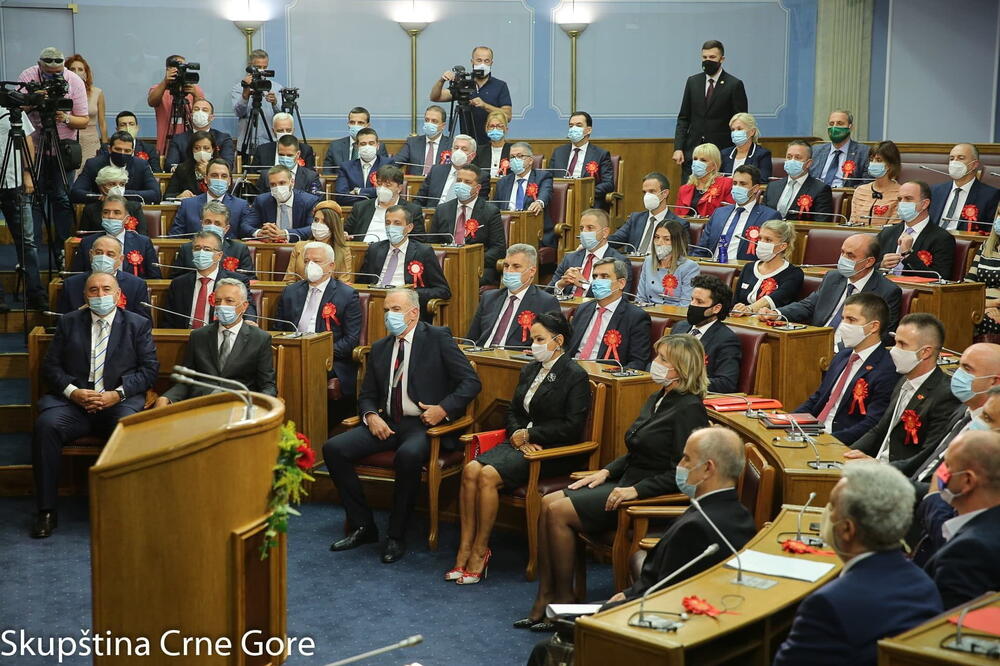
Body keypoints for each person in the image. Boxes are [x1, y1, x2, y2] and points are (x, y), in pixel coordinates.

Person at [518, 337, 711, 628]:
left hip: (641, 492)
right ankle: (548, 595)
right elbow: (636, 448)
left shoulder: (689, 408)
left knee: (558, 512)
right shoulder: (658, 396)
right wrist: (606, 472)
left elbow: (682, 472)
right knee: (548, 502)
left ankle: (563, 601)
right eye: (656, 356)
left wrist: (635, 490)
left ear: (681, 369)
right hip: (624, 480)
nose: (654, 364)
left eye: (662, 360)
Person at [324, 288, 481, 563]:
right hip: (386, 422)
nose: (388, 316)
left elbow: (471, 383)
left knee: (408, 457)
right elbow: (368, 395)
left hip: (422, 424)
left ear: (414, 313)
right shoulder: (382, 347)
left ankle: (396, 535)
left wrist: (443, 409)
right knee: (333, 449)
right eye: (386, 310)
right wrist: (371, 416)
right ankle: (364, 525)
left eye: (395, 310)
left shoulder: (437, 338)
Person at [453, 312, 590, 584]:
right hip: (520, 444)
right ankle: (464, 548)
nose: (532, 344)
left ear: (558, 341)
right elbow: (513, 409)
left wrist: (531, 434)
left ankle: (481, 551)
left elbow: (572, 426)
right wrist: (518, 432)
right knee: (470, 470)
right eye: (532, 338)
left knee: (488, 475)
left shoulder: (575, 375)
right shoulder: (529, 369)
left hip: (553, 452)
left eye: (539, 339)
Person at [773, 463, 942, 666]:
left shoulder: (827, 605)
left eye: (832, 506)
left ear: (846, 529)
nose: (826, 512)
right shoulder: (925, 585)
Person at [31, 271, 158, 538]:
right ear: (85, 296)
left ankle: (123, 510)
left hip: (116, 404)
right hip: (74, 406)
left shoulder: (137, 324)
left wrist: (118, 394)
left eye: (106, 289)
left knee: (129, 428)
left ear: (118, 294)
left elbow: (148, 371)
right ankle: (46, 511)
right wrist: (73, 392)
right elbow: (50, 367)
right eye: (93, 291)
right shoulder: (69, 322)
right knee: (46, 426)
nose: (100, 295)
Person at [845, 313, 960, 463]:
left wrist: (879, 467)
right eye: (895, 342)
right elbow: (880, 430)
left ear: (925, 352)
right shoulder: (903, 380)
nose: (893, 350)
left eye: (902, 344)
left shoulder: (945, 395)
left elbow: (927, 455)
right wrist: (846, 454)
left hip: (900, 476)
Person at [155, 278, 276, 408]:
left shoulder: (259, 339)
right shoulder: (198, 336)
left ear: (244, 306)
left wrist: (259, 406)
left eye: (229, 301)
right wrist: (168, 397)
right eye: (218, 301)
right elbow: (185, 380)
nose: (222, 306)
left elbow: (267, 385)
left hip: (239, 405)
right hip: (202, 404)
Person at [894, 343, 1000, 491]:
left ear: (994, 382)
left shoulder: (991, 432)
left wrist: (894, 485)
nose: (958, 373)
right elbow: (926, 458)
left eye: (967, 369)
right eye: (960, 366)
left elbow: (949, 490)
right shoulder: (963, 409)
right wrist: (879, 469)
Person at [795, 293, 897, 445]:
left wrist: (828, 441)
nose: (843, 325)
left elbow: (872, 424)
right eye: (843, 318)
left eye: (851, 320)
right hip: (813, 432)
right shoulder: (842, 356)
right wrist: (787, 421)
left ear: (874, 326)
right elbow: (817, 398)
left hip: (839, 442)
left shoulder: (887, 368)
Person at [768, 234, 903, 342]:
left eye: (850, 255)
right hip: (817, 341)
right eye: (842, 252)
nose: (843, 258)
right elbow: (808, 305)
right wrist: (777, 314)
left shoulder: (887, 291)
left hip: (849, 349)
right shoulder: (833, 277)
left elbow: (883, 336)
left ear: (869, 262)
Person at [18, 47, 89, 251]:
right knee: (33, 197)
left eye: (58, 72)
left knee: (61, 197)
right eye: (49, 73)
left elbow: (83, 120)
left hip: (63, 150)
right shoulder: (27, 76)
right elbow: (16, 108)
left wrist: (65, 117)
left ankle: (63, 249)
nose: (54, 76)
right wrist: (34, 100)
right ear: (39, 66)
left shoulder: (74, 81)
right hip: (34, 147)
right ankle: (33, 248)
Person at [922, 430, 1000, 610]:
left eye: (947, 465)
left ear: (967, 481)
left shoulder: (970, 551)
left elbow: (938, 625)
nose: (939, 473)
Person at [275, 242, 363, 399]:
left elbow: (350, 340)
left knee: (306, 369)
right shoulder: (290, 291)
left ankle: (310, 423)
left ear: (331, 266)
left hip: (329, 360)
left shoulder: (347, 295)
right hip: (292, 354)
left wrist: (316, 353)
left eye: (317, 261)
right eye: (307, 261)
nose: (310, 266)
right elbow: (278, 329)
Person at [356, 205, 451, 319]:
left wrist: (410, 294)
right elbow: (361, 283)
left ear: (409, 227)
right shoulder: (374, 249)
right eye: (387, 223)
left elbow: (443, 291)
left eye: (397, 223)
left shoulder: (423, 252)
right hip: (375, 305)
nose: (391, 227)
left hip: (406, 309)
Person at [672, 40, 749, 182]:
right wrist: (678, 148)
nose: (708, 61)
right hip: (693, 153)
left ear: (722, 59)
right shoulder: (692, 82)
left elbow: (740, 122)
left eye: (712, 57)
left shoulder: (734, 85)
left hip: (720, 153)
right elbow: (684, 118)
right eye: (705, 57)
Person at [467, 244, 560, 348]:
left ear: (532, 271)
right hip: (482, 355)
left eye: (516, 266)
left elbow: (551, 346)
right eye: (506, 266)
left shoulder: (546, 302)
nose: (509, 271)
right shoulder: (489, 297)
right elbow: (471, 339)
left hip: (514, 360)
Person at [565, 258, 651, 370]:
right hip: (572, 371)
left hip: (604, 377)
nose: (597, 281)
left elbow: (638, 363)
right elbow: (568, 347)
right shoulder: (583, 308)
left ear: (621, 283)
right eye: (595, 277)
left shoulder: (636, 317)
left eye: (604, 276)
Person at [161, 231, 255, 329]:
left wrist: (249, 320)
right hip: (185, 337)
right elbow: (168, 320)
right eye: (197, 249)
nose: (201, 253)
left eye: (207, 249)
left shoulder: (236, 281)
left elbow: (247, 307)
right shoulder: (178, 283)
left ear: (219, 255)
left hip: (219, 335)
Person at [430, 164, 504, 285]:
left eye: (467, 182)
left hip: (477, 267)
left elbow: (498, 249)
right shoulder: (442, 209)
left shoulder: (490, 212)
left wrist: (469, 260)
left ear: (478, 187)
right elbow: (432, 243)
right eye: (459, 181)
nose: (461, 184)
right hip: (445, 264)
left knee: (462, 280)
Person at [0, 111, 45, 310]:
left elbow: (28, 141)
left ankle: (35, 293)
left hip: (15, 182)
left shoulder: (9, 111)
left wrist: (28, 173)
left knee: (27, 242)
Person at [693, 165, 778, 263]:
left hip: (742, 271)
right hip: (712, 268)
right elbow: (701, 249)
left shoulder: (769, 216)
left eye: (743, 184)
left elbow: (769, 255)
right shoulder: (719, 213)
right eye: (735, 183)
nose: (737, 187)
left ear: (755, 188)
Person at [670, 274, 741, 393]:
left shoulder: (726, 339)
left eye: (699, 302)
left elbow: (726, 383)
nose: (692, 305)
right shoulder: (679, 327)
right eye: (692, 299)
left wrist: (682, 381)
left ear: (716, 308)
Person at [430, 46, 512, 144]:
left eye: (486, 61)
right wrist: (441, 80)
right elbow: (435, 97)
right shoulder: (464, 84)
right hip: (467, 143)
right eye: (479, 60)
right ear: (472, 62)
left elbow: (507, 116)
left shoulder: (500, 85)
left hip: (492, 142)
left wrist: (485, 106)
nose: (482, 64)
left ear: (491, 63)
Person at [56, 235, 151, 320]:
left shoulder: (136, 285)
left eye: (110, 254)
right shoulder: (71, 284)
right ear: (90, 255)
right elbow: (59, 323)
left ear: (120, 259)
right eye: (98, 253)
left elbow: (145, 324)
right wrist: (80, 313)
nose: (103, 258)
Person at [877, 181, 956, 279]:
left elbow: (940, 276)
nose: (902, 203)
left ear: (924, 204)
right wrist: (881, 265)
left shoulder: (942, 238)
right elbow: (867, 266)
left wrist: (908, 255)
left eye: (908, 199)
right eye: (900, 199)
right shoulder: (887, 233)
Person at [71, 194, 160, 279]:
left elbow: (155, 278)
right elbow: (76, 277)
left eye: (117, 213)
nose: (110, 216)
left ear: (127, 219)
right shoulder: (87, 243)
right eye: (106, 212)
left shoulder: (143, 243)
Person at [549, 208, 631, 297]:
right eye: (581, 228)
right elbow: (547, 293)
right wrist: (560, 285)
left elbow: (619, 298)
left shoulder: (620, 261)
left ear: (605, 232)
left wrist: (584, 285)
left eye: (590, 228)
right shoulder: (570, 258)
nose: (584, 232)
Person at [730, 218, 803, 313]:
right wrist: (737, 308)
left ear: (782, 246)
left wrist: (748, 309)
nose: (761, 243)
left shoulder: (794, 273)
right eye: (760, 238)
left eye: (768, 240)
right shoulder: (749, 267)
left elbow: (776, 299)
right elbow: (735, 301)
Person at [169, 158, 256, 236]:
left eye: (224, 176)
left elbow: (246, 234)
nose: (219, 179)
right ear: (206, 179)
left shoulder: (241, 206)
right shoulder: (187, 205)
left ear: (229, 181)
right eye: (214, 175)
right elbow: (175, 238)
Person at [71, 131, 161, 205]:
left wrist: (120, 194)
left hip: (132, 210)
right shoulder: (94, 164)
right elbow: (76, 192)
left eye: (127, 151)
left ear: (132, 152)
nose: (122, 153)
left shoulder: (141, 165)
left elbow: (156, 194)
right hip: (101, 209)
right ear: (109, 149)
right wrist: (101, 197)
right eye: (118, 149)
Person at [610, 172, 689, 256]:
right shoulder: (635, 218)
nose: (647, 196)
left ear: (665, 193)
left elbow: (683, 254)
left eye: (652, 191)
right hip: (634, 264)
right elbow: (614, 240)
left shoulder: (679, 224)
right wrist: (598, 240)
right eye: (644, 192)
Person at [548, 112, 614, 210]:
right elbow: (549, 178)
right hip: (560, 200)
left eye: (578, 125)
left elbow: (608, 184)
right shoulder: (559, 152)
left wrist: (585, 191)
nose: (574, 128)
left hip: (588, 202)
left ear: (588, 130)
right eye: (571, 126)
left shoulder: (601, 154)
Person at [343, 164, 425, 242]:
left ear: (399, 188)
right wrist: (345, 234)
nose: (382, 188)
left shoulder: (412, 210)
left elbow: (418, 242)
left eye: (388, 185)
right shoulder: (360, 207)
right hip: (362, 251)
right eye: (379, 184)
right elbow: (346, 231)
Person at [494, 142, 555, 247]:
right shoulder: (503, 182)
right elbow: (495, 207)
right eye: (512, 157)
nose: (515, 160)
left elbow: (546, 192)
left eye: (520, 156)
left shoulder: (542, 176)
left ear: (530, 160)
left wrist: (539, 202)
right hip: (506, 231)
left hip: (533, 230)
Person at [929, 143, 1000, 232]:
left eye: (961, 158)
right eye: (952, 158)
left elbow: (989, 231)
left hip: (965, 242)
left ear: (974, 164)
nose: (954, 162)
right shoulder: (935, 191)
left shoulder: (990, 195)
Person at [175, 201, 255, 278]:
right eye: (208, 222)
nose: (212, 226)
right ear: (202, 224)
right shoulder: (186, 249)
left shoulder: (239, 250)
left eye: (217, 223)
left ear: (226, 228)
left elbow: (248, 279)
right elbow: (176, 279)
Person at [146, 54, 206, 156]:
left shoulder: (194, 89)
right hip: (166, 143)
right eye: (178, 66)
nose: (181, 70)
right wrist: (165, 82)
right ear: (168, 69)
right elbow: (152, 102)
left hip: (189, 143)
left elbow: (200, 117)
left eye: (184, 66)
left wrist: (195, 95)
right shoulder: (159, 88)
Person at [246, 165, 321, 241]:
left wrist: (284, 234)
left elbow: (313, 228)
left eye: (282, 183)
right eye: (273, 184)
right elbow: (245, 226)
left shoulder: (309, 201)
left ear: (292, 182)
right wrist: (260, 233)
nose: (277, 188)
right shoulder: (261, 201)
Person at [284, 201, 353, 283]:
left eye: (324, 221)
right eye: (316, 220)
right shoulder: (300, 246)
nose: (318, 224)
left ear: (333, 225)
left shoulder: (343, 250)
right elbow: (289, 280)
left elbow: (344, 284)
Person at [636, 219, 700, 307]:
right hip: (647, 313)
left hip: (673, 316)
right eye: (657, 237)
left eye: (666, 239)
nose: (659, 243)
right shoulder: (648, 261)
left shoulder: (689, 267)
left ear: (677, 242)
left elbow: (686, 304)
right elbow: (640, 298)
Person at [764, 141, 834, 221]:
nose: (792, 161)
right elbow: (763, 215)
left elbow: (821, 222)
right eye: (789, 157)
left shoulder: (821, 189)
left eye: (797, 158)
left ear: (808, 163)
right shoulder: (772, 186)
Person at [232, 49, 283, 152]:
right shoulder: (239, 87)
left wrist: (275, 103)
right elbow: (239, 113)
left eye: (265, 67)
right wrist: (245, 95)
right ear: (250, 67)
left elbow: (283, 117)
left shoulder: (276, 88)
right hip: (246, 143)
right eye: (258, 67)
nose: (262, 71)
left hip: (269, 143)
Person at [414, 133, 486, 207]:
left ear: (472, 155)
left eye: (464, 149)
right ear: (451, 151)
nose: (459, 152)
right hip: (433, 213)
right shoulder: (436, 170)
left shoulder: (481, 175)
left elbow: (480, 206)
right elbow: (420, 199)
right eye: (456, 148)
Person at [164, 98, 235, 170]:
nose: (200, 112)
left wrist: (208, 169)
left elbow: (228, 164)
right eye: (196, 109)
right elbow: (170, 165)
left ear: (212, 117)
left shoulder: (223, 139)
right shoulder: (179, 139)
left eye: (205, 110)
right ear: (191, 116)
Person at [809, 109, 870, 187]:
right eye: (831, 124)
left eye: (839, 123)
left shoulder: (864, 152)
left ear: (850, 127)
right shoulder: (815, 151)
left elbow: (867, 183)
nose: (834, 127)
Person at [65, 55, 106, 165]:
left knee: (91, 171)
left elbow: (102, 122)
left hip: (91, 139)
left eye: (80, 69)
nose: (76, 72)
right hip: (69, 138)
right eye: (72, 69)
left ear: (86, 74)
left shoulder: (97, 92)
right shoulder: (63, 93)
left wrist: (105, 144)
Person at [849, 140, 902, 226]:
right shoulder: (860, 191)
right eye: (871, 159)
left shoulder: (901, 193)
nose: (873, 163)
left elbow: (893, 227)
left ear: (890, 165)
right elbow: (852, 222)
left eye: (879, 160)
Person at [334, 128, 391, 206]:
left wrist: (358, 191)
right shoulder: (346, 167)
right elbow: (341, 197)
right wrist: (373, 196)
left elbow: (389, 192)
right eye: (363, 144)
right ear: (357, 146)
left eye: (371, 143)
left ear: (377, 145)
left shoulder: (387, 164)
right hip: (355, 211)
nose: (367, 147)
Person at [674, 143, 734, 218]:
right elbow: (677, 218)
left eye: (703, 160)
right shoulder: (684, 189)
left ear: (714, 165)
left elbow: (728, 214)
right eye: (695, 159)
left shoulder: (726, 184)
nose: (697, 163)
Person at [77, 165, 144, 232]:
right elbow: (83, 237)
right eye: (112, 184)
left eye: (122, 184)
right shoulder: (90, 209)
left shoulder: (135, 207)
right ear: (101, 186)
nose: (118, 188)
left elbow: (142, 236)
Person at [392, 105, 452, 176]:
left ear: (443, 126)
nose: (429, 124)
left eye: (434, 121)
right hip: (416, 184)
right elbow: (395, 163)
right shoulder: (412, 142)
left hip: (440, 185)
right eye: (427, 120)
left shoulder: (451, 144)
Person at [254, 134, 321, 196]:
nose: (285, 158)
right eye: (281, 155)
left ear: (297, 154)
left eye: (289, 155)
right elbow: (257, 202)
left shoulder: (310, 177)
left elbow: (316, 202)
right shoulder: (265, 176)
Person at [966, 217, 1000, 341]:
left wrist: (992, 304)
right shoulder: (986, 246)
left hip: (993, 310)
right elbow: (969, 284)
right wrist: (983, 305)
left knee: (971, 319)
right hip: (981, 306)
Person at [322, 107, 388, 170]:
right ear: (348, 124)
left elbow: (384, 172)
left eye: (360, 123)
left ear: (368, 126)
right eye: (352, 122)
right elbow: (327, 172)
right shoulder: (335, 146)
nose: (355, 125)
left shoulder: (378, 147)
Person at [250, 112, 317, 168]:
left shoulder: (306, 150)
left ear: (293, 130)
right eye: (280, 130)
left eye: (288, 130)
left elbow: (310, 176)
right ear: (273, 131)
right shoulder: (262, 150)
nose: (285, 133)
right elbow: (252, 176)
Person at [164, 130, 217, 199]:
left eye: (206, 148)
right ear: (192, 150)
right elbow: (168, 195)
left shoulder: (220, 168)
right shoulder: (182, 169)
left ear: (212, 150)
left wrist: (206, 174)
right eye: (197, 148)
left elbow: (225, 195)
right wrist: (179, 196)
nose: (201, 152)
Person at [720, 112, 771, 181]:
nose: (735, 133)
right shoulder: (724, 154)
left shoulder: (762, 155)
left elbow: (763, 179)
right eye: (733, 130)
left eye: (739, 129)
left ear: (752, 132)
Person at [473, 110, 513, 178]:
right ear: (486, 129)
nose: (495, 129)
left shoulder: (513, 150)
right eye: (492, 126)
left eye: (499, 126)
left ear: (506, 129)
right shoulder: (479, 151)